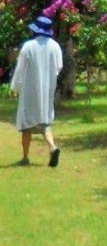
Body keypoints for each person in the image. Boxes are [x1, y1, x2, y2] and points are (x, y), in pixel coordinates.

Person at [10, 15, 63, 167]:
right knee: (44, 122)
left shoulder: (29, 46)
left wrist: (14, 87)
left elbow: (20, 70)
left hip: (29, 90)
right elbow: (58, 68)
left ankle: (25, 157)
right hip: (47, 88)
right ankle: (52, 148)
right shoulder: (55, 46)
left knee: (26, 124)